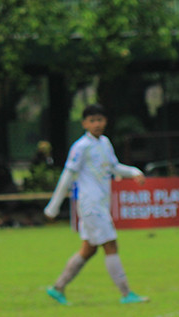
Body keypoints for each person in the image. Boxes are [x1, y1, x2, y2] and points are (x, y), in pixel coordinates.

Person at [43, 104, 149, 305]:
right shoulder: (80, 147)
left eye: (100, 120)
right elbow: (68, 175)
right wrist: (53, 206)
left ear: (106, 121)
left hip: (100, 203)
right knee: (110, 245)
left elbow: (114, 167)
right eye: (92, 121)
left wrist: (134, 171)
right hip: (90, 204)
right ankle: (127, 294)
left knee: (88, 249)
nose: (97, 124)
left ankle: (57, 288)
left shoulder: (105, 143)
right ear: (84, 124)